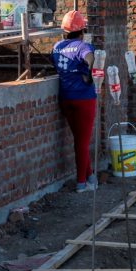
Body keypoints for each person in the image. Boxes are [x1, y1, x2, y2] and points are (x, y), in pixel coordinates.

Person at [51, 10, 97, 192]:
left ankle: (90, 177)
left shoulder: (56, 47)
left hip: (65, 99)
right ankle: (81, 183)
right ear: (82, 31)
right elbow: (90, 58)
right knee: (82, 141)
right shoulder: (81, 46)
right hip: (84, 99)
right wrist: (90, 75)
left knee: (79, 139)